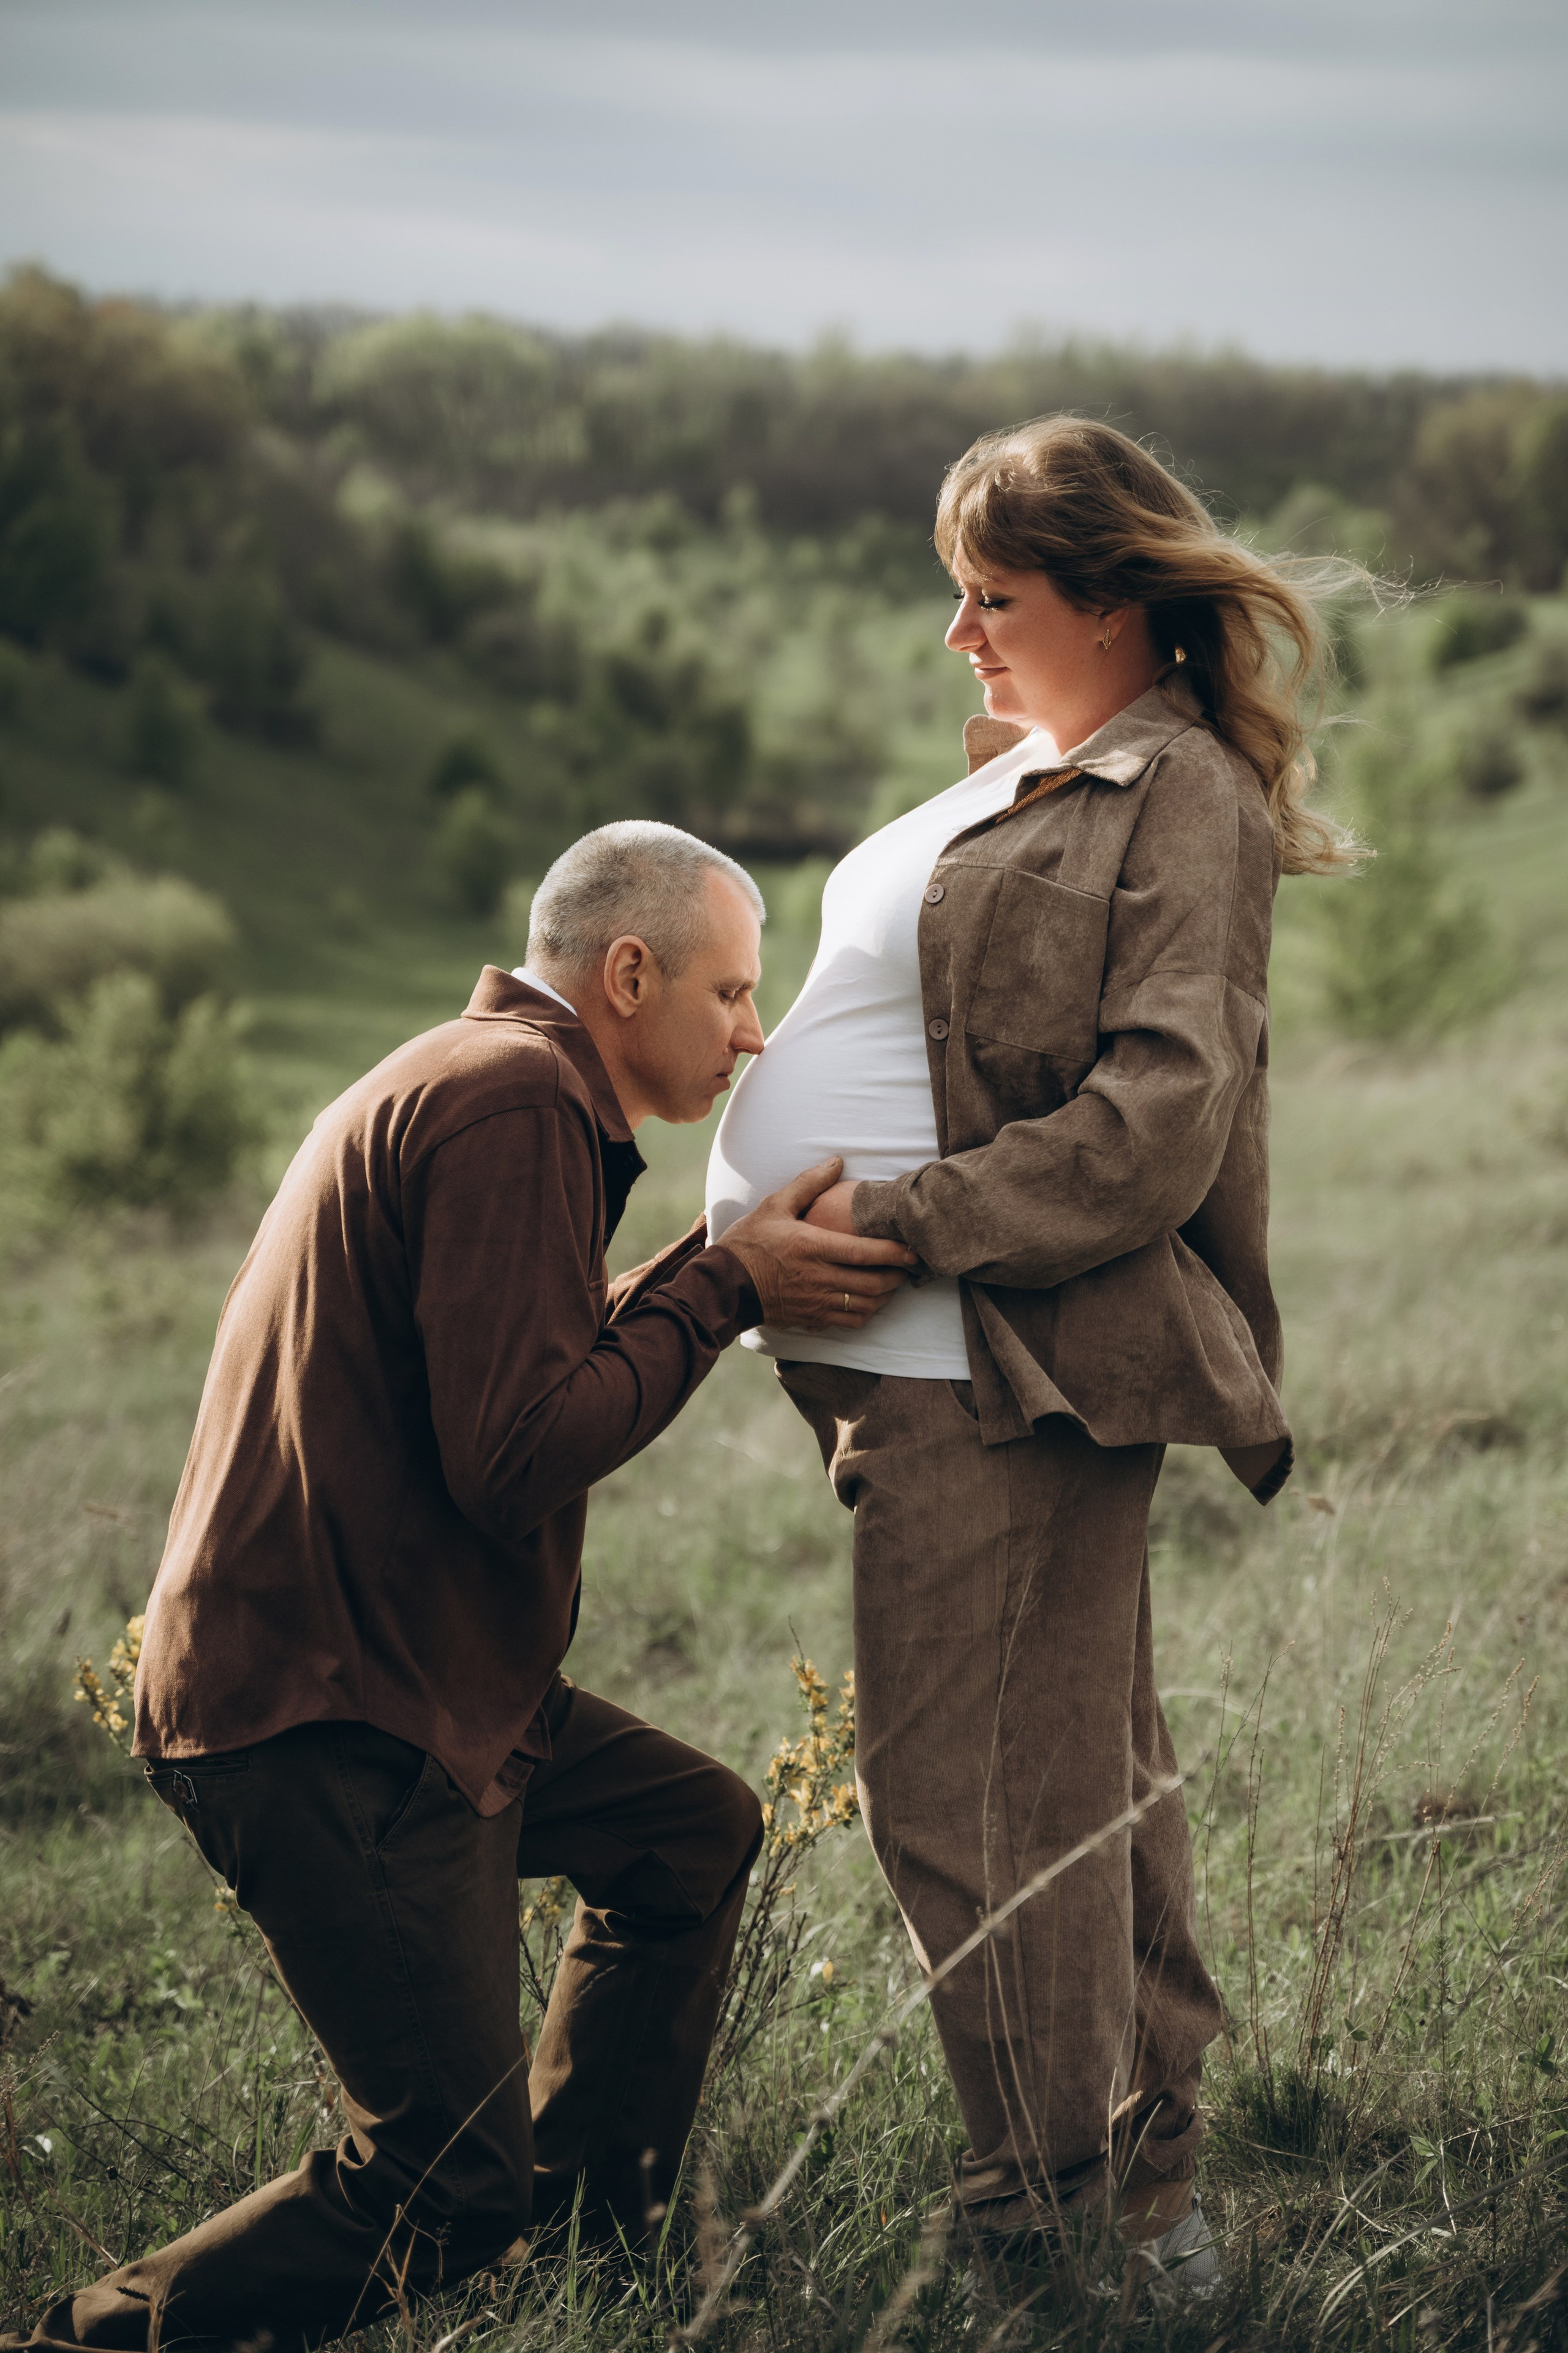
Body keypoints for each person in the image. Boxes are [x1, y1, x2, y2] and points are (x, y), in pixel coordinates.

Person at [7, 822, 916, 2353]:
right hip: (333, 1712)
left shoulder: (482, 1077)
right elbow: (515, 1452)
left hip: (408, 1679)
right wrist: (726, 1283)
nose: (753, 1032)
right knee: (436, 2183)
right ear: (626, 974)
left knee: (686, 1833)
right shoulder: (513, 1106)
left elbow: (504, 1371)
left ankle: (581, 2267)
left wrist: (707, 1260)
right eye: (731, 991)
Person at [707, 418, 1359, 2287]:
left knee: (974, 1803)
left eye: (991, 599)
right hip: (921, 1366)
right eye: (954, 598)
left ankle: (1042, 2228)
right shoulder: (1042, 771)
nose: (957, 636)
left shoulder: (1185, 795)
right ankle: (1143, 2196)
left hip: (1008, 1357)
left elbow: (1158, 1115)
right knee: (1073, 1777)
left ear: (1113, 596)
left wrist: (887, 1226)